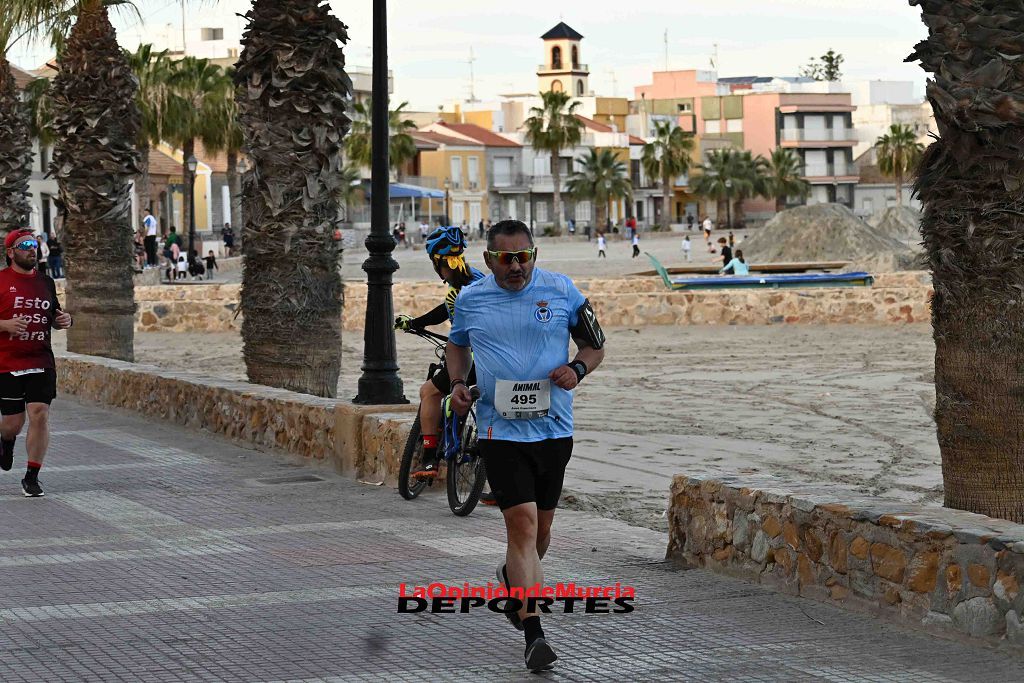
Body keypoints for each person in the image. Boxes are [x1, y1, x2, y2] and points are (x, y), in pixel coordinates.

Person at [446, 219, 606, 673]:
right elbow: (456, 347)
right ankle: (534, 632)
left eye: (523, 256)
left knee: (540, 536)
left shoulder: (561, 290)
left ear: (534, 254)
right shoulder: (471, 300)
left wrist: (577, 369)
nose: (515, 266)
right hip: (500, 432)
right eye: (505, 258)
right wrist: (459, 382)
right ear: (487, 260)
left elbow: (595, 345)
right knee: (520, 525)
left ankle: (511, 580)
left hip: (554, 430)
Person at [393, 226, 493, 501]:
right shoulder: (476, 279)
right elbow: (446, 310)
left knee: (429, 392)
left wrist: (414, 324)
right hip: (490, 360)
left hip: (467, 359)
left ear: (437, 262)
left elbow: (453, 313)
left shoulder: (459, 290)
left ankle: (428, 459)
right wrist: (416, 322)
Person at [0, 228, 73, 497]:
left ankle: (32, 476)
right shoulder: (0, 281)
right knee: (12, 424)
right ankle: (6, 442)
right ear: (10, 252)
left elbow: (54, 313)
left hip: (41, 360)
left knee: (40, 413)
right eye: (25, 245)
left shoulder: (46, 282)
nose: (33, 249)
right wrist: (5, 324)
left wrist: (64, 320)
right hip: (6, 363)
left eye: (35, 244)